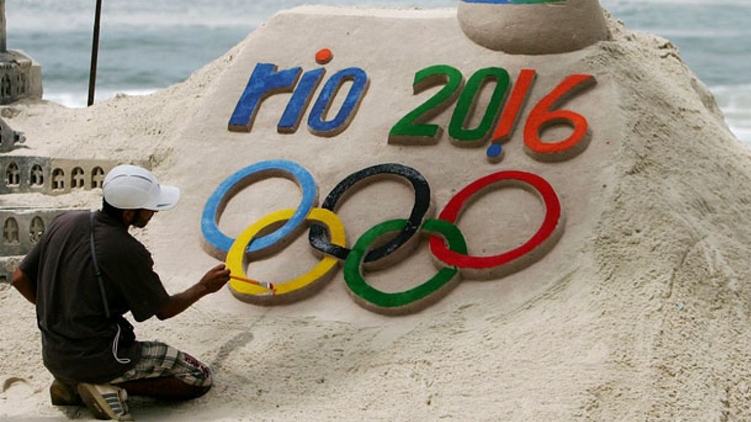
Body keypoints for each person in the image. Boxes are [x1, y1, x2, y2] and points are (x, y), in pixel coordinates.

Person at [11, 164, 231, 421]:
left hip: (54, 353)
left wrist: (56, 312)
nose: (153, 212)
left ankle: (71, 384)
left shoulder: (64, 221)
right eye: (149, 208)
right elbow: (165, 310)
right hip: (101, 357)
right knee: (198, 376)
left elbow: (19, 278)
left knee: (87, 358)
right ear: (128, 213)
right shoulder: (126, 249)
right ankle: (103, 386)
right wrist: (203, 287)